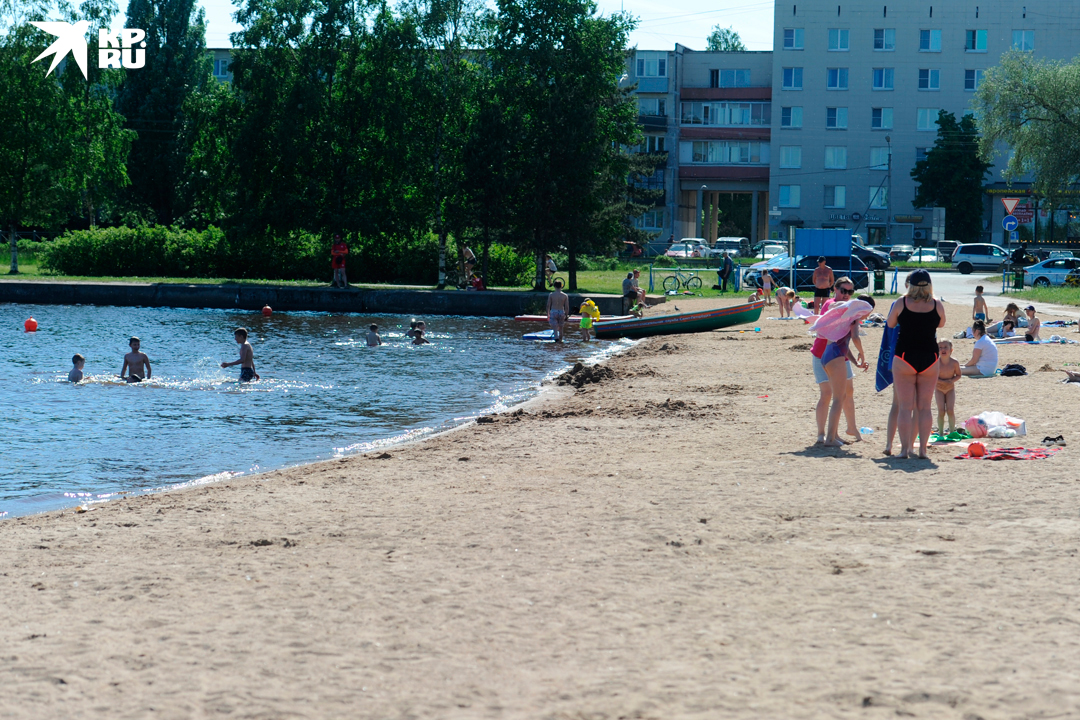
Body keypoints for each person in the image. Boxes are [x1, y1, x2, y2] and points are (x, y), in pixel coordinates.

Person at [887, 269, 946, 459]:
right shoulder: (936, 304)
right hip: (929, 356)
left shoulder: (901, 302)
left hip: (905, 356)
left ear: (910, 284)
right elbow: (941, 324)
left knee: (905, 407)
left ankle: (904, 450)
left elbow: (890, 324)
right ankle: (922, 450)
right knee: (925, 407)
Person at [810, 277, 866, 444]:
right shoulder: (831, 304)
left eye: (850, 291)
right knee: (829, 394)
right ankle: (824, 435)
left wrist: (856, 361)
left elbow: (842, 341)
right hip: (824, 355)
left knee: (847, 392)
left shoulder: (849, 308)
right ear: (835, 289)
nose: (847, 294)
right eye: (843, 291)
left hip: (839, 354)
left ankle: (846, 429)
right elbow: (846, 337)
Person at [817, 297, 874, 447]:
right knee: (838, 398)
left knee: (839, 397)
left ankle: (833, 436)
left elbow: (843, 345)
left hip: (828, 355)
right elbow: (855, 337)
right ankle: (830, 438)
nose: (867, 317)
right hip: (835, 357)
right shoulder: (854, 319)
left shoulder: (844, 319)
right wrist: (862, 353)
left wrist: (855, 361)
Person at [935, 340, 962, 435]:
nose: (943, 349)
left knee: (950, 410)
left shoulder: (954, 363)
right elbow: (932, 377)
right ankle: (941, 432)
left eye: (945, 347)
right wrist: (941, 381)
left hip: (950, 389)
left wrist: (952, 381)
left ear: (951, 350)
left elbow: (958, 375)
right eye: (940, 347)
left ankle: (951, 432)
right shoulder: (936, 363)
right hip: (939, 389)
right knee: (941, 411)